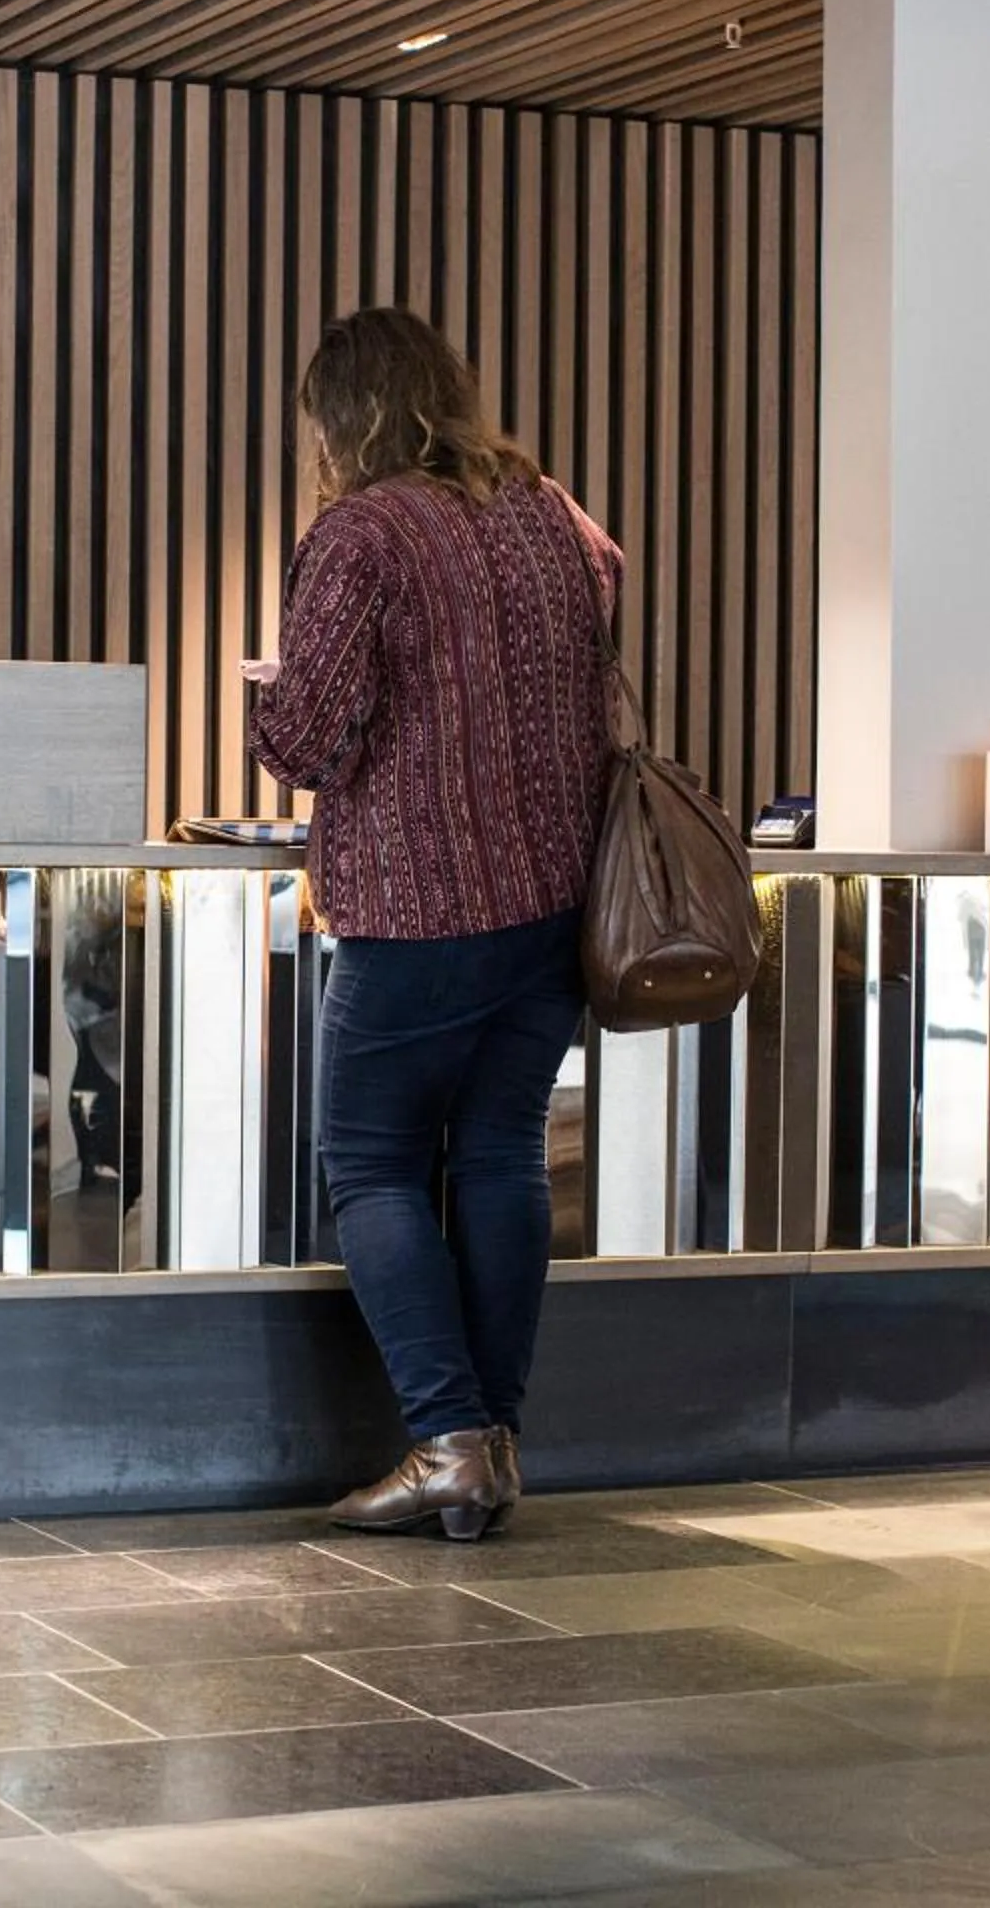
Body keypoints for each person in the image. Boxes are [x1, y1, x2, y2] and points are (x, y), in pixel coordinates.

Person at [245, 307, 616, 1543]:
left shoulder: (358, 532)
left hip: (421, 904)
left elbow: (301, 743)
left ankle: (448, 1436)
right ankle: (492, 1442)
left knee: (372, 1159)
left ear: (340, 419)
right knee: (504, 1152)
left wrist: (271, 694)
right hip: (558, 902)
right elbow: (604, 590)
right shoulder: (546, 510)